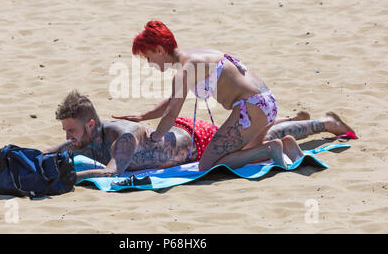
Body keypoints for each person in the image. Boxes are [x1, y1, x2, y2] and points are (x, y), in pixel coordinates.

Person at [45, 91, 355, 180]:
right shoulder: (88, 137)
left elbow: (113, 172)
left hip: (197, 141)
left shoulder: (122, 139)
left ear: (90, 125)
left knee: (256, 138)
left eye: (71, 130)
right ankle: (297, 120)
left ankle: (324, 123)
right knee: (257, 133)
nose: (69, 137)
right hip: (182, 132)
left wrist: (71, 174)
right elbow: (58, 150)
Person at [113, 21, 293, 170]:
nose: (149, 63)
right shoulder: (195, 57)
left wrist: (153, 139)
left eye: (148, 57)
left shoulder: (184, 70)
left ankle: (271, 148)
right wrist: (144, 116)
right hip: (266, 102)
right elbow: (173, 100)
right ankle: (286, 145)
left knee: (207, 165)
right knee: (248, 153)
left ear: (159, 49)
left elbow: (171, 114)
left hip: (251, 108)